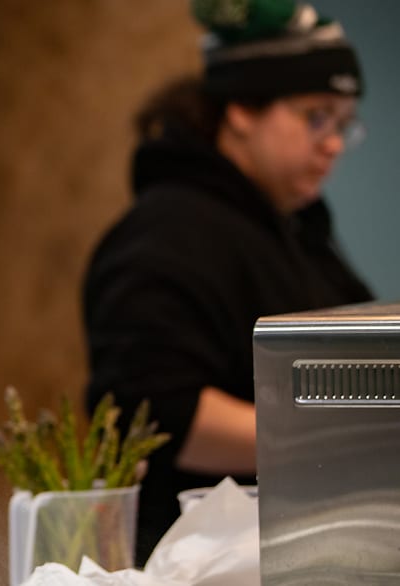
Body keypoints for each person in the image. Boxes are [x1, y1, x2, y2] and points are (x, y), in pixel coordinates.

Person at [82, 0, 372, 563]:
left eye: (343, 123)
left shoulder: (297, 231)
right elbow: (155, 411)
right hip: (201, 558)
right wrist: (344, 439)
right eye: (316, 115)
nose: (333, 142)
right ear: (241, 109)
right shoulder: (165, 234)